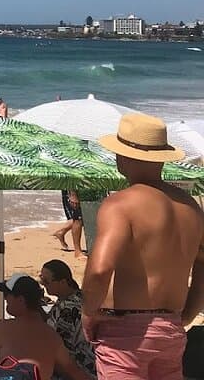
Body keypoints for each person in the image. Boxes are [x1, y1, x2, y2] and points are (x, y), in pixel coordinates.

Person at [81, 112, 204, 380]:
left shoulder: (120, 204)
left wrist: (88, 312)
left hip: (124, 333)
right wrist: (185, 315)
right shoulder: (191, 207)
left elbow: (100, 269)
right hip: (170, 328)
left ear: (124, 157)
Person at [40, 259, 97, 377]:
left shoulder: (68, 309)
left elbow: (59, 347)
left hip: (80, 368)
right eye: (41, 279)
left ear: (62, 282)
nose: (43, 284)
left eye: (46, 281)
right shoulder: (76, 296)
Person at [52, 190, 85, 259]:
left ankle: (61, 232)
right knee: (78, 217)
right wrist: (73, 194)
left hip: (91, 186)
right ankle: (78, 251)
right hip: (74, 188)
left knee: (86, 217)